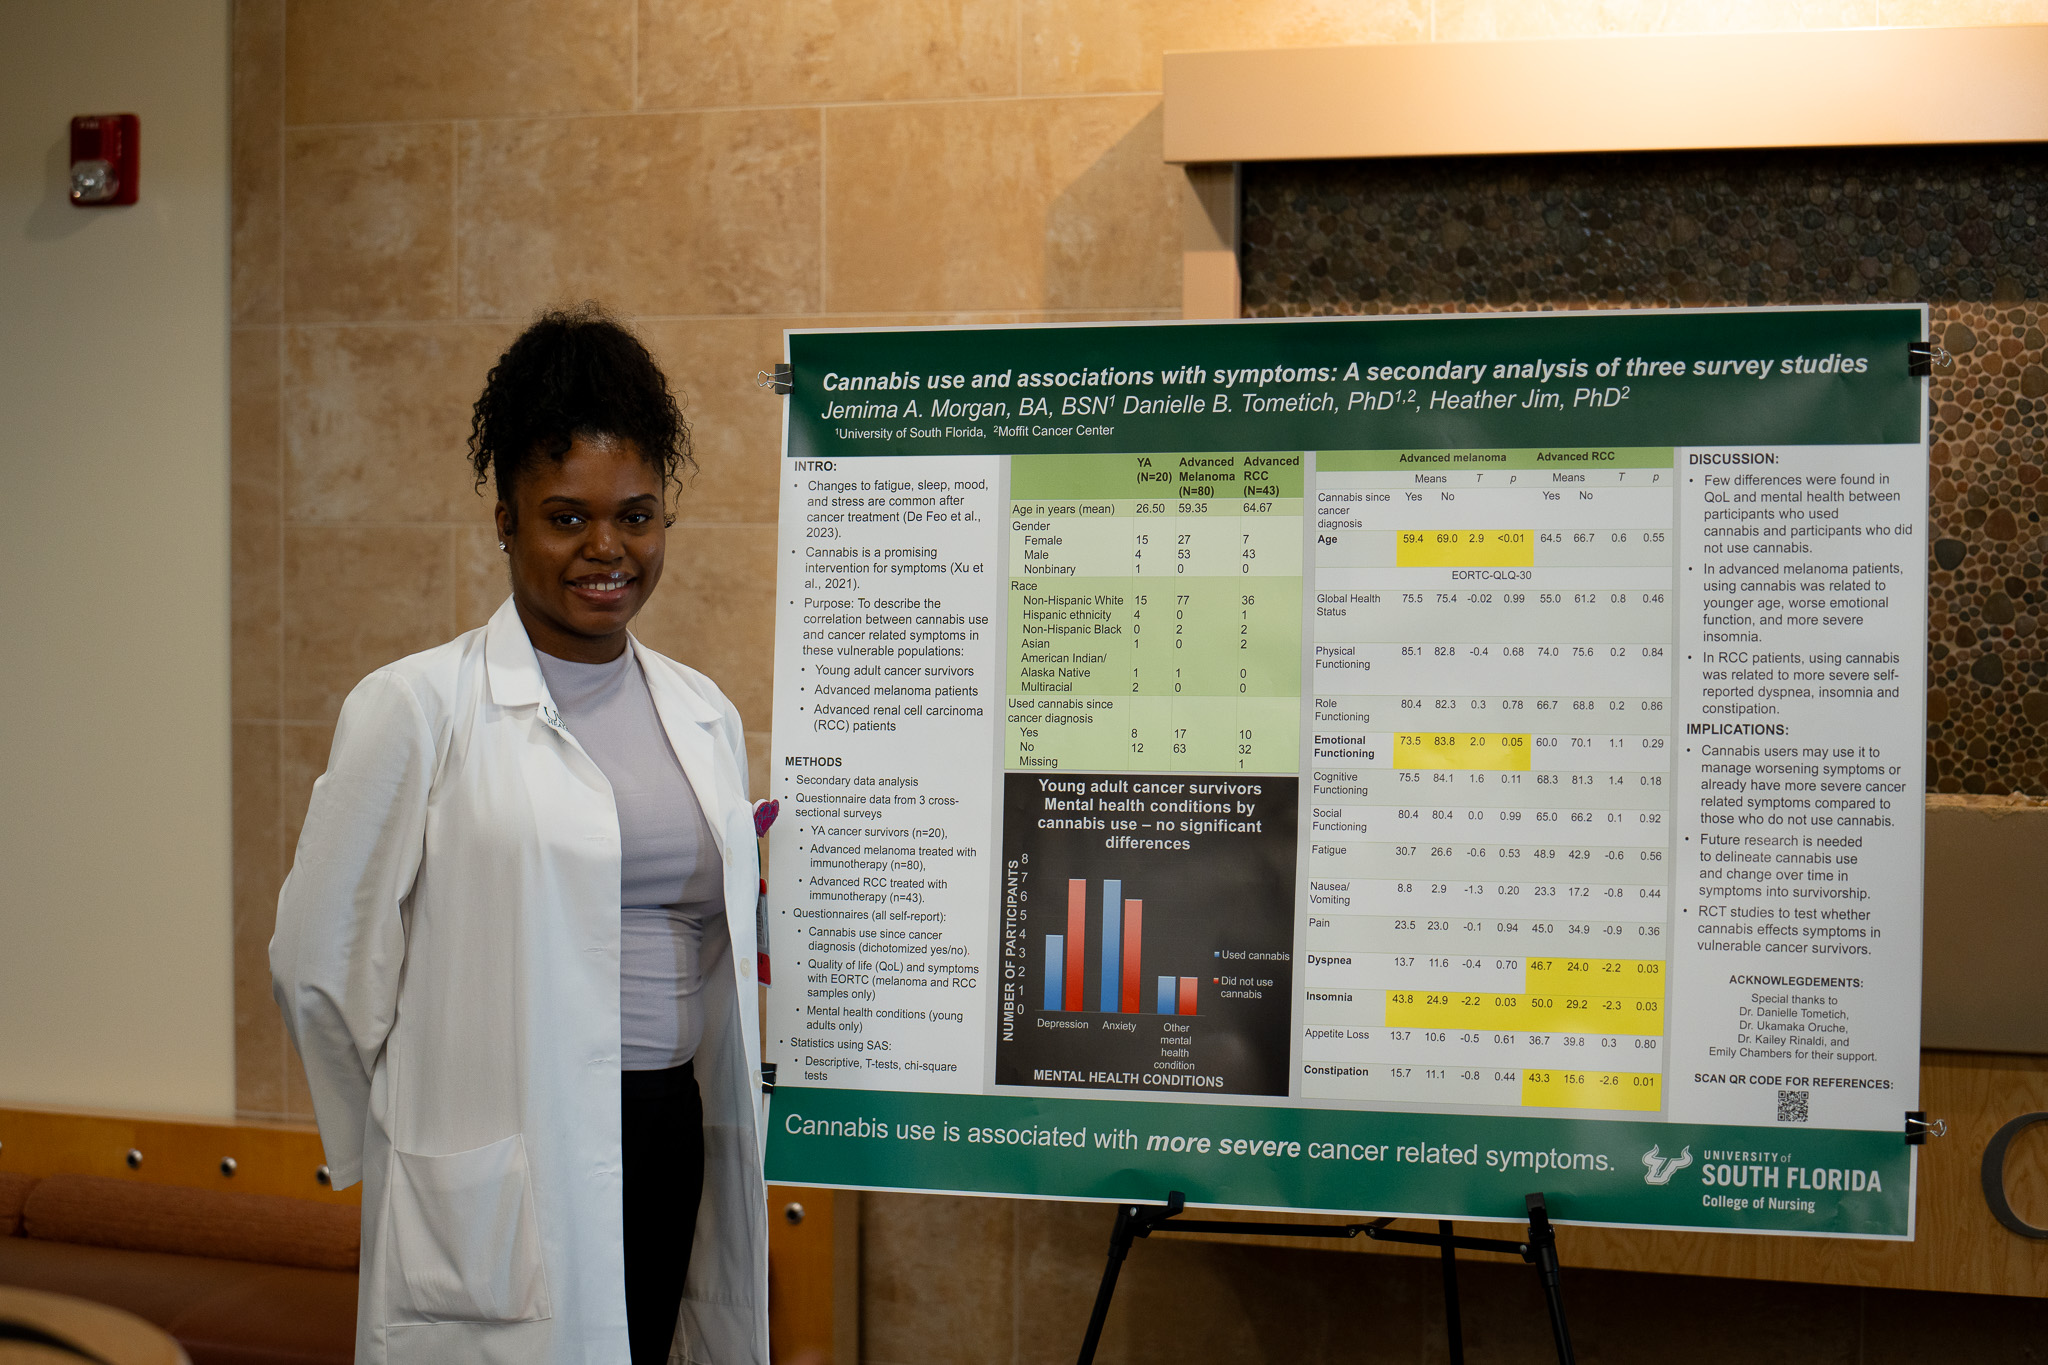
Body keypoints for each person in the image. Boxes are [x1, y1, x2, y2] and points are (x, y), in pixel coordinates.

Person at [271, 305, 768, 1365]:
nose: (606, 550)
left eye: (635, 516)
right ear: (504, 519)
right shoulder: (415, 708)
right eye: (565, 517)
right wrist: (412, 1140)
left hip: (668, 1133)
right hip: (503, 1157)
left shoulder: (701, 713)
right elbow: (318, 964)